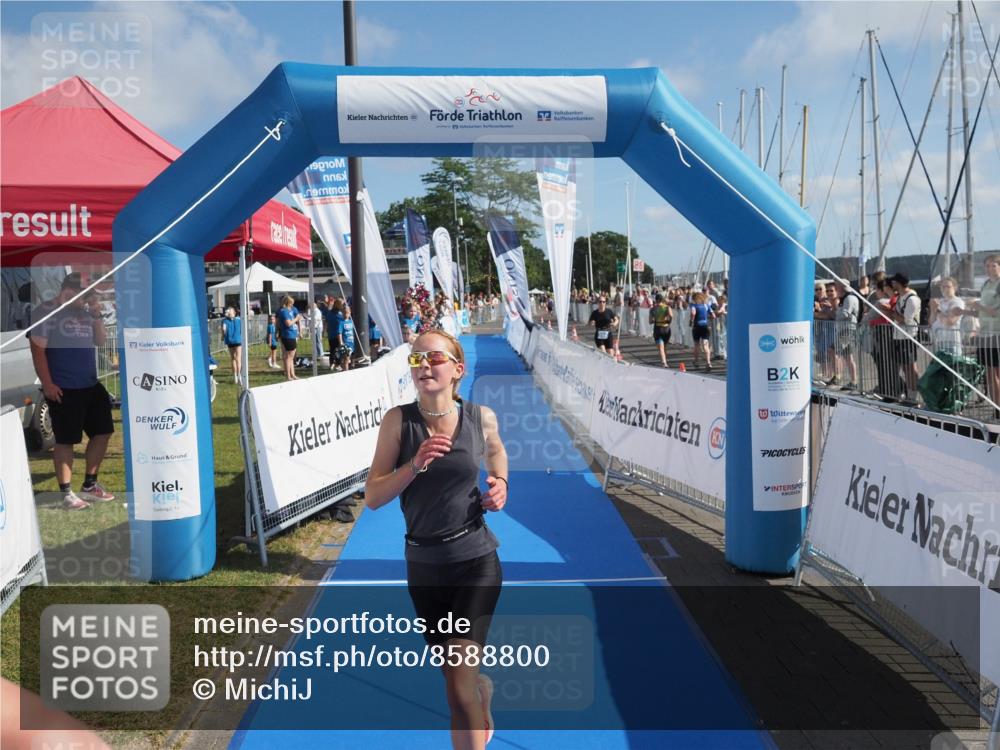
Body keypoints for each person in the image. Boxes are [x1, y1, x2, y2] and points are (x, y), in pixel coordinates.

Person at [364, 329, 507, 750]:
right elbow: (373, 496)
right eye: (415, 360)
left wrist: (500, 482)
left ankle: (473, 701)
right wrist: (415, 463)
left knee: (456, 692)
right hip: (424, 567)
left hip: (476, 560)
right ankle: (482, 693)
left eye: (434, 359)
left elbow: (496, 451)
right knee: (454, 677)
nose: (424, 366)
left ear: (457, 369)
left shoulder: (480, 418)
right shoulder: (398, 421)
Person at [28, 273, 115, 510]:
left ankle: (90, 484)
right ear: (69, 290)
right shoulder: (46, 311)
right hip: (63, 387)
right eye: (85, 295)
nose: (87, 300)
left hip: (89, 384)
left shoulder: (86, 313)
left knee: (103, 431)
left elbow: (100, 340)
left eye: (90, 296)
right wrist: (47, 384)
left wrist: (96, 313)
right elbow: (38, 350)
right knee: (66, 440)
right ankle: (66, 492)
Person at [884, 272, 921, 404]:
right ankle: (910, 393)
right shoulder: (901, 297)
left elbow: (905, 320)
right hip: (899, 336)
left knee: (911, 367)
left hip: (908, 337)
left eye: (893, 282)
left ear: (898, 283)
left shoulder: (911, 299)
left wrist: (890, 313)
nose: (892, 285)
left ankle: (913, 396)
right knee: (905, 368)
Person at [971, 255, 1000, 413]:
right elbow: (983, 312)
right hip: (985, 334)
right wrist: (964, 310)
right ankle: (996, 407)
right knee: (989, 374)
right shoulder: (986, 284)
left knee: (995, 373)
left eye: (993, 265)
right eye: (987, 266)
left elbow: (995, 312)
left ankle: (998, 408)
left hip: (997, 333)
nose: (990, 269)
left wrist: (977, 305)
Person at [929, 277, 966, 356]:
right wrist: (933, 309)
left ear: (954, 288)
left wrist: (938, 309)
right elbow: (932, 322)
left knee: (951, 367)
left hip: (952, 342)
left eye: (948, 286)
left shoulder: (957, 302)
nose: (945, 289)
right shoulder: (940, 301)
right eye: (942, 287)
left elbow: (950, 322)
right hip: (938, 341)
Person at [277, 295, 302, 381]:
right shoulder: (284, 311)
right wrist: (296, 319)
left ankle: (292, 375)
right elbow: (288, 323)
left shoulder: (288, 311)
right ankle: (288, 376)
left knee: (291, 357)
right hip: (288, 335)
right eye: (291, 303)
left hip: (291, 334)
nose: (292, 305)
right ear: (288, 303)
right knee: (289, 357)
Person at [689, 291, 715, 371]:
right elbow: (713, 316)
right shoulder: (706, 305)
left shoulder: (694, 305)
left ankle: (696, 361)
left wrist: (691, 321)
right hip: (705, 326)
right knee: (705, 345)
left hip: (697, 326)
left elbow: (693, 313)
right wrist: (708, 320)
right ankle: (708, 362)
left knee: (697, 344)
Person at [650, 293, 673, 368]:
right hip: (666, 329)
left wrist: (656, 319)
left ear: (656, 300)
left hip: (658, 329)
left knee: (661, 347)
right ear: (662, 299)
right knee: (664, 346)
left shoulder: (653, 309)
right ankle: (664, 360)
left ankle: (664, 362)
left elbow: (650, 321)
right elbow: (671, 316)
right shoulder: (667, 307)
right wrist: (668, 320)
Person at [221, 307, 242, 384]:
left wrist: (222, 337)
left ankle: (235, 377)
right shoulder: (239, 320)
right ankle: (239, 375)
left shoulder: (224, 321)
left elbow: (224, 330)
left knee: (233, 358)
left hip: (229, 341)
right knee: (238, 358)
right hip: (238, 340)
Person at [341, 304, 356, 371]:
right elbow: (339, 333)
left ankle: (352, 369)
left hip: (352, 343)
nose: (345, 314)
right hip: (346, 343)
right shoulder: (341, 323)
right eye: (344, 313)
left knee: (353, 358)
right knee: (346, 358)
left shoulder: (352, 322)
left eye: (347, 313)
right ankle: (346, 371)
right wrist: (341, 342)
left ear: (350, 313)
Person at [311, 297, 326, 361]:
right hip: (316, 327)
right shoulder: (314, 311)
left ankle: (321, 354)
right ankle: (318, 353)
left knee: (318, 341)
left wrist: (314, 327)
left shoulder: (317, 311)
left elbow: (317, 320)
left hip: (318, 327)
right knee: (316, 341)